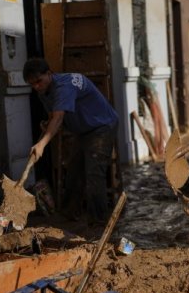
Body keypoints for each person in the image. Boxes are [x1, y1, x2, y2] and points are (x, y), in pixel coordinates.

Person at [23, 58, 118, 225]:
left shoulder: (63, 86)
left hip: (102, 126)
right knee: (74, 172)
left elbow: (58, 117)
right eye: (32, 84)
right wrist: (47, 123)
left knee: (94, 174)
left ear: (49, 74)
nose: (37, 86)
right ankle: (69, 213)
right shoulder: (43, 91)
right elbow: (55, 116)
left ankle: (99, 222)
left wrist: (41, 144)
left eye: (39, 81)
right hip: (83, 130)